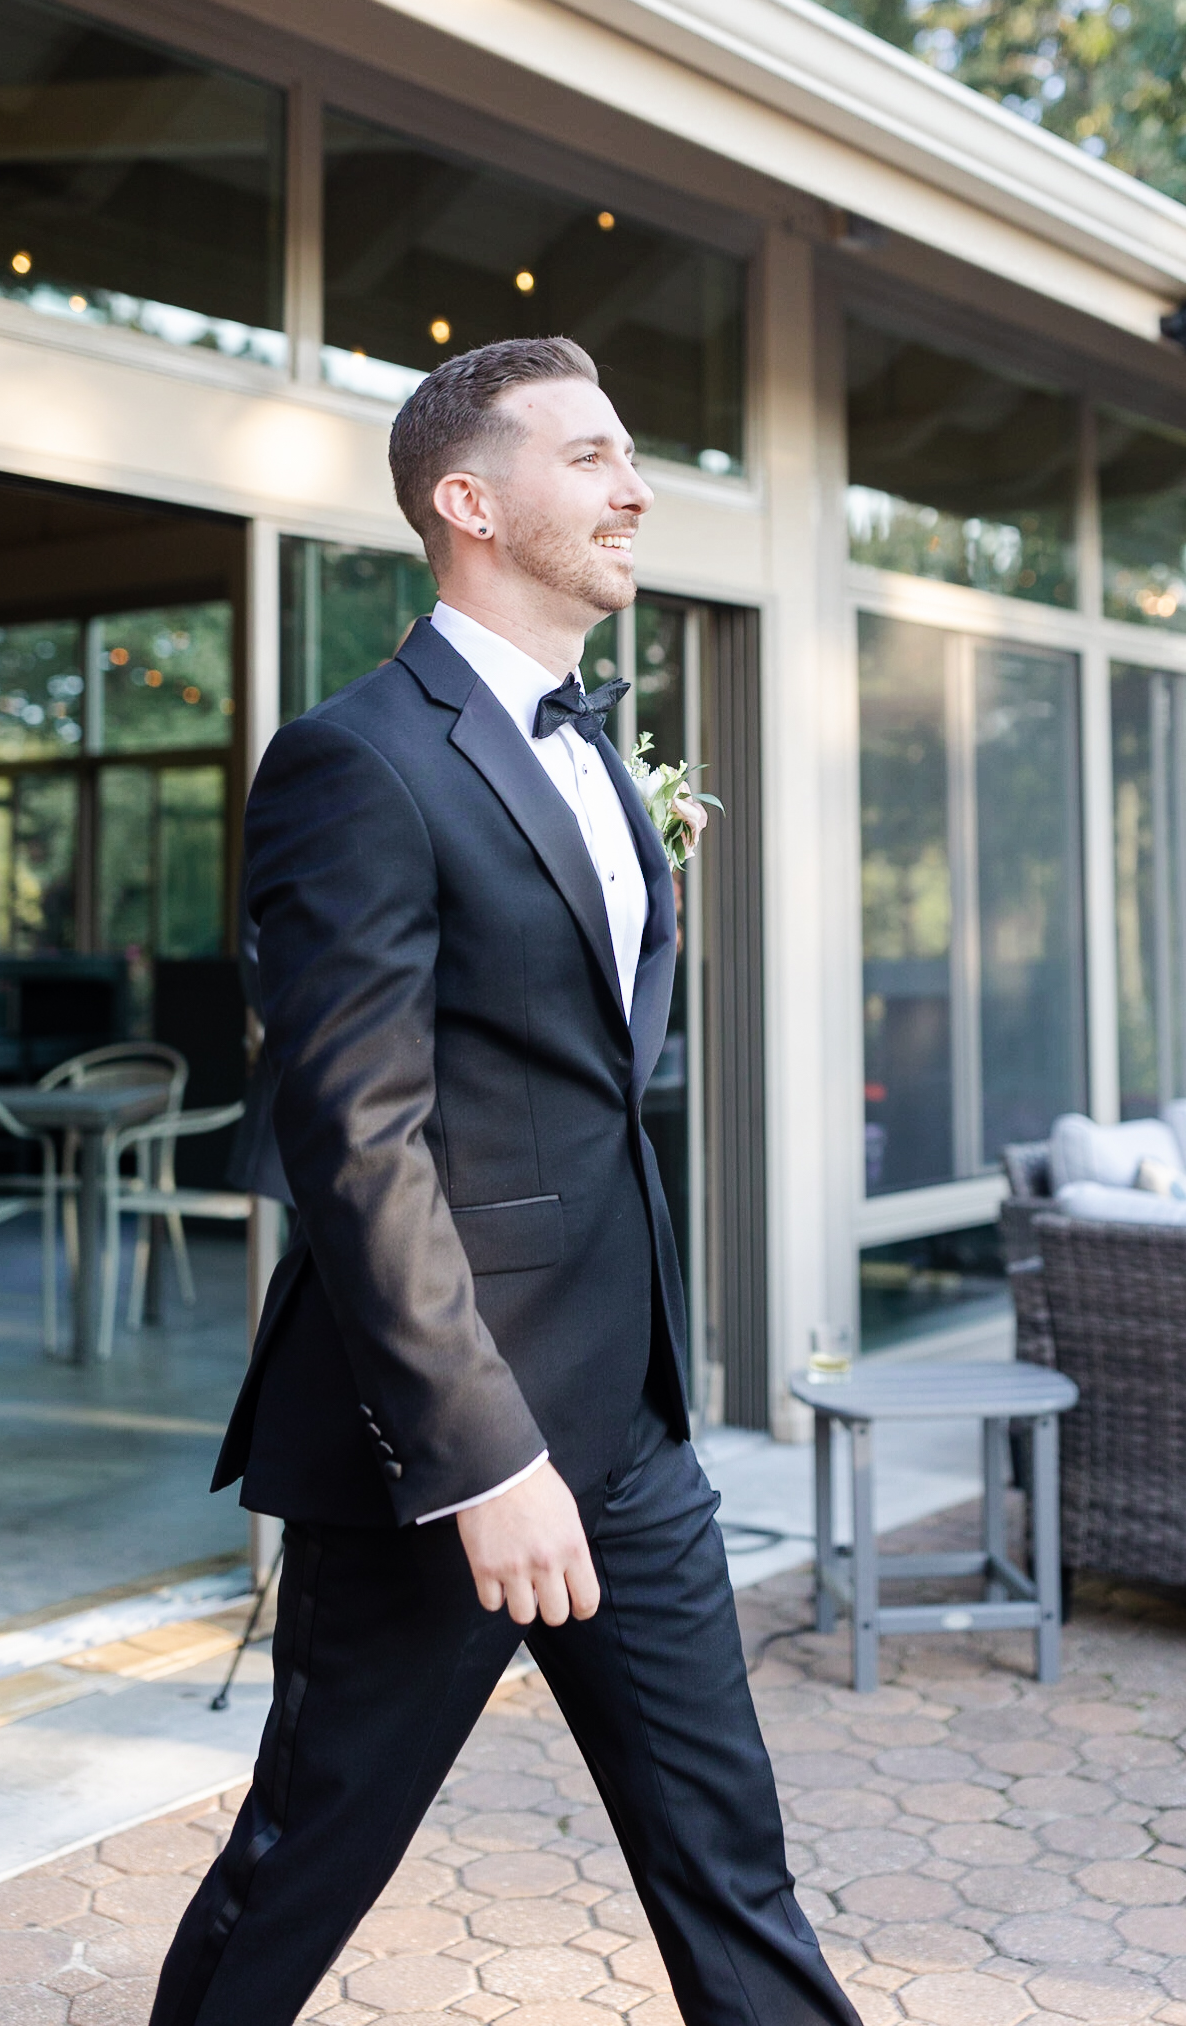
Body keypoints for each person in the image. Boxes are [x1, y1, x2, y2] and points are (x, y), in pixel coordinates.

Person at [151, 337, 859, 2026]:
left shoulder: (604, 756)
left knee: (728, 1863)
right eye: (595, 455)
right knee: (304, 1859)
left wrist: (615, 1422)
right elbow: (356, 1138)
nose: (638, 487)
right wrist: (484, 1458)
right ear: (469, 502)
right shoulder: (356, 760)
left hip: (631, 1426)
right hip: (445, 1447)